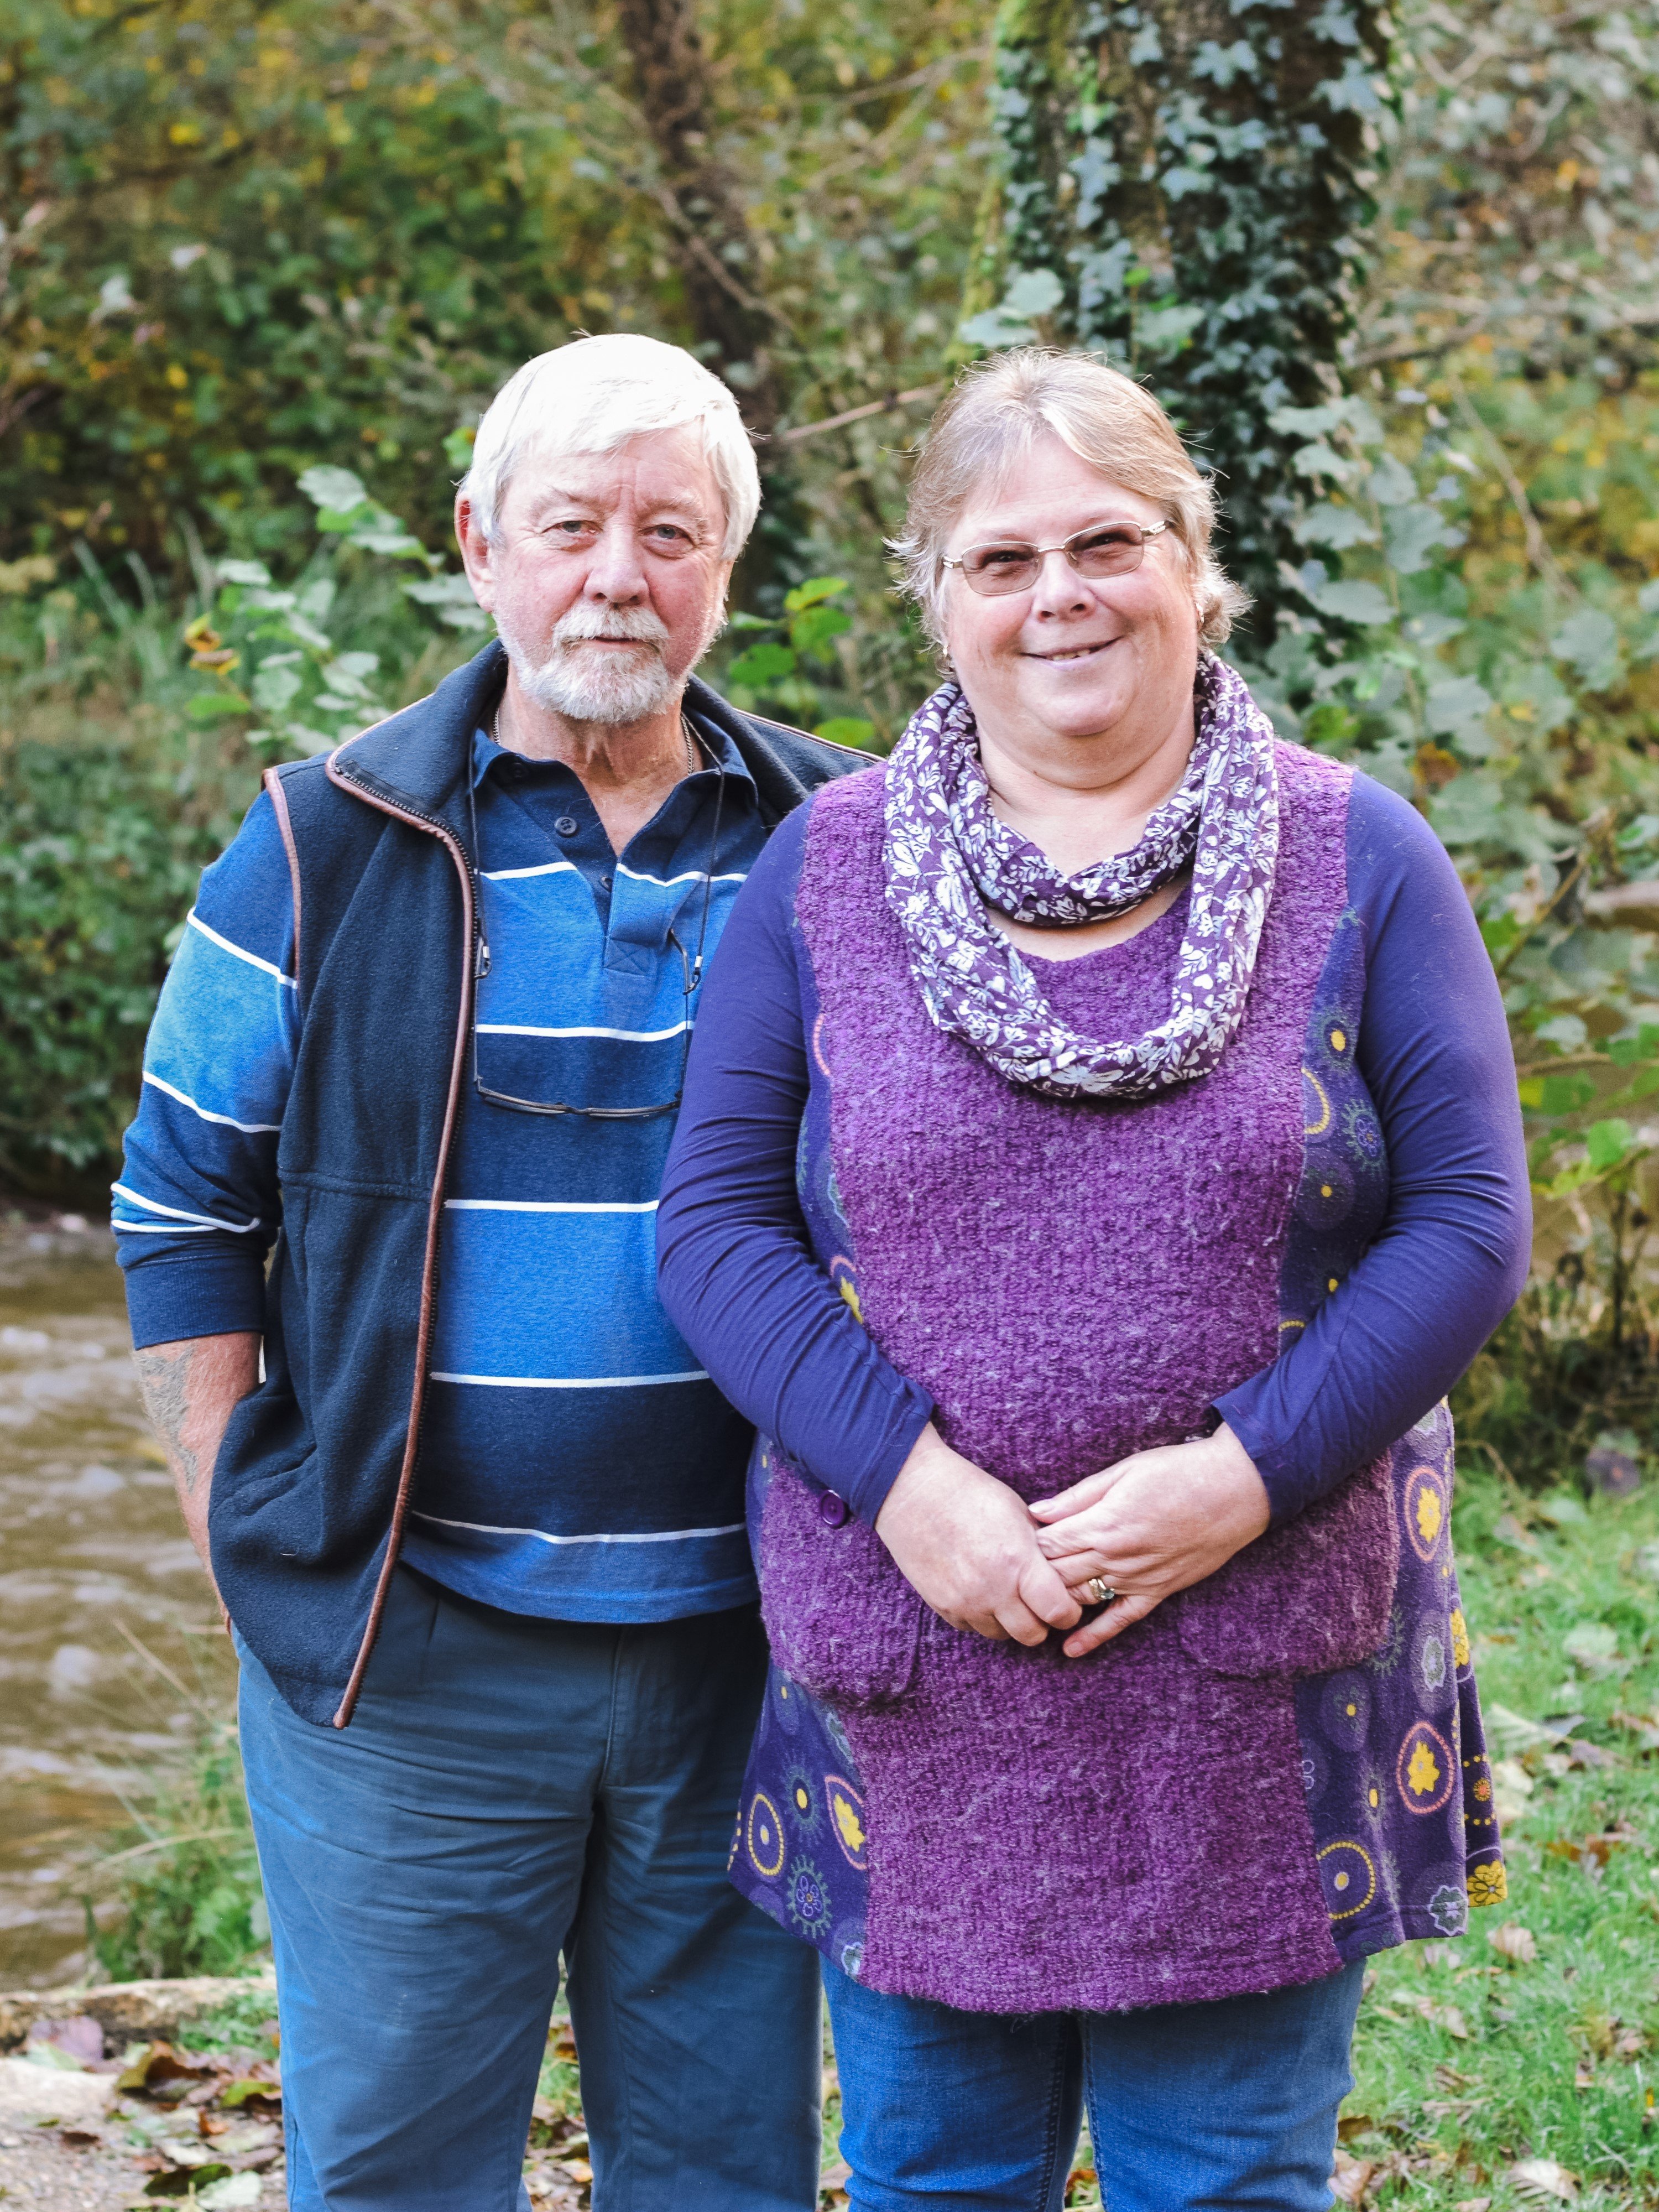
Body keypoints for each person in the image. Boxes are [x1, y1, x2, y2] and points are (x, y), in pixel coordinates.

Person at [656, 348, 1530, 2212]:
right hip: (927, 1647)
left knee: (1223, 2182)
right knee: (931, 2179)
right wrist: (913, 1488)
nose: (1059, 595)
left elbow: (1465, 1223)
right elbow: (714, 1231)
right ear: (940, 599)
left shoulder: (1358, 851)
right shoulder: (827, 871)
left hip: (1259, 1652)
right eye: (1001, 558)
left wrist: (1239, 1480)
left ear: (1193, 562)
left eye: (1106, 542)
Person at [112, 333, 865, 2212]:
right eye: (573, 524)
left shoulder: (840, 846)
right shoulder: (321, 843)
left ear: (725, 569)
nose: (619, 572)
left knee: (727, 2174)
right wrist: (243, 1532)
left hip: (749, 1647)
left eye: (670, 530)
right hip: (405, 1649)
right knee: (392, 2174)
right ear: (480, 541)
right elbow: (179, 1212)